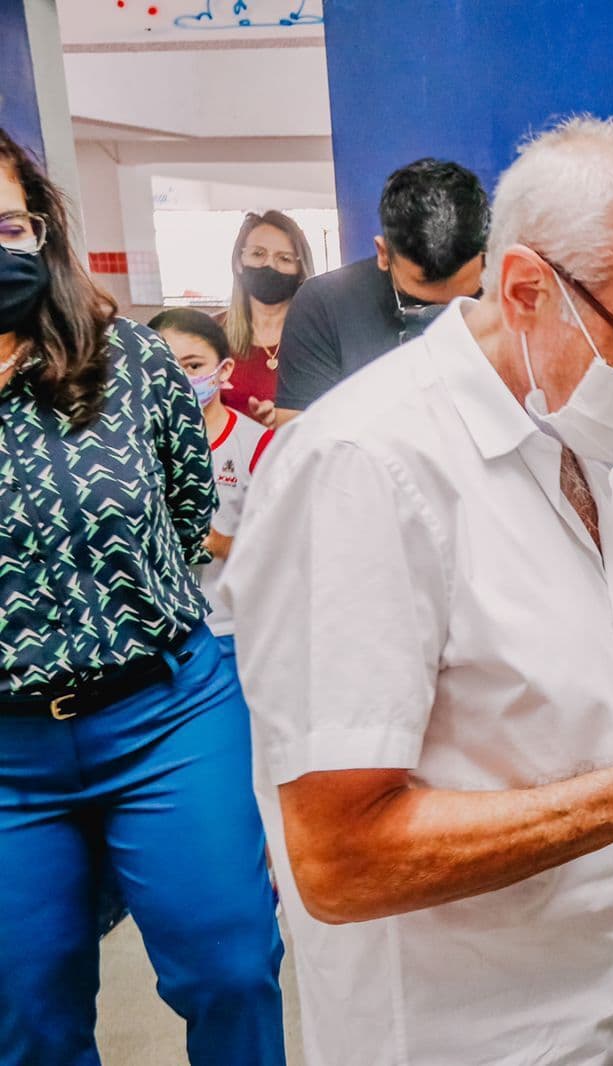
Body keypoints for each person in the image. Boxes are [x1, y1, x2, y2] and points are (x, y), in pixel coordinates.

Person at [219, 115, 613, 1066]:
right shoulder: (364, 470)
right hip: (486, 1038)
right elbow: (341, 862)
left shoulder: (573, 427)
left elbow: (569, 722)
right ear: (525, 290)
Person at [0, 128, 285, 1066]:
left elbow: (185, 503)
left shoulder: (130, 361)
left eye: (6, 224)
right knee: (29, 1015)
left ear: (40, 228)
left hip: (165, 710)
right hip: (7, 755)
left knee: (234, 970)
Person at [272, 158, 488, 421]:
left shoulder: (518, 299)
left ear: (487, 251)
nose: (442, 311)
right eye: (422, 293)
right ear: (384, 253)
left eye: (461, 295)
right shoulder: (323, 304)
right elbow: (302, 444)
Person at [151, 307, 273, 655]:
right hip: (160, 640)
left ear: (224, 370)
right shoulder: (132, 448)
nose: (178, 378)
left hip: (232, 631)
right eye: (166, 367)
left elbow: (287, 549)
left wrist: (222, 544)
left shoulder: (255, 445)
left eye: (193, 366)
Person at [219, 209, 316, 428]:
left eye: (284, 258)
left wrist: (288, 420)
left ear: (300, 270)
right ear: (238, 262)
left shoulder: (320, 336)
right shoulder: (212, 334)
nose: (269, 265)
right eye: (257, 253)